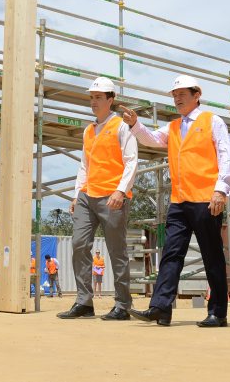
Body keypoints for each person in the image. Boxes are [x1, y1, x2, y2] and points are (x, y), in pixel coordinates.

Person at [123, 75, 230, 327]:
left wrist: (221, 190)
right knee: (171, 253)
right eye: (174, 95)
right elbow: (151, 139)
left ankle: (218, 312)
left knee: (212, 256)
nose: (177, 98)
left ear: (197, 95)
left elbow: (226, 156)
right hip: (180, 201)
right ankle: (160, 307)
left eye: (182, 94)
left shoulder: (211, 121)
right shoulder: (174, 127)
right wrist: (135, 125)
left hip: (207, 199)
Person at [58, 77, 138, 321]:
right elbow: (85, 165)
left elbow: (131, 161)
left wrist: (121, 191)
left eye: (99, 97)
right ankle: (84, 302)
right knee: (79, 244)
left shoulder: (122, 126)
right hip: (87, 195)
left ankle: (123, 304)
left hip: (113, 196)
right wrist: (76, 194)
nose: (93, 102)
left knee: (116, 251)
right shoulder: (88, 130)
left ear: (110, 100)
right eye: (91, 97)